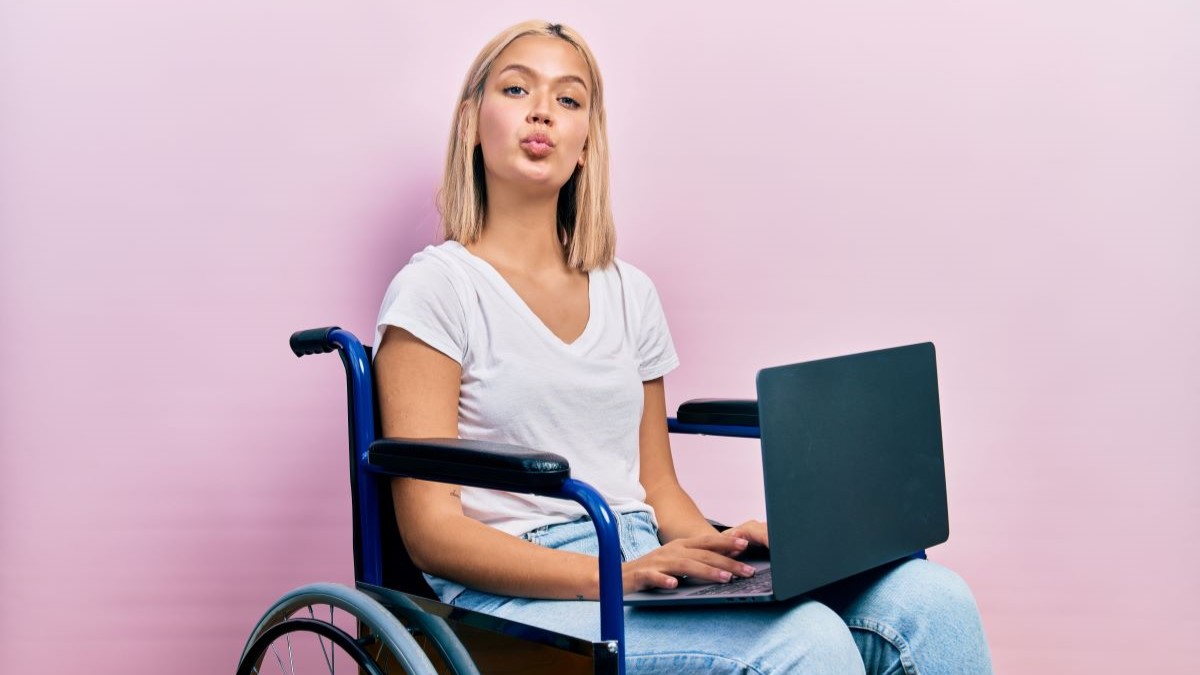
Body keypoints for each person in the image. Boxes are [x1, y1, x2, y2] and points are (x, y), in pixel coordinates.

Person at [373, 19, 993, 674]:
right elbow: (430, 531)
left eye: (568, 98)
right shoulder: (437, 288)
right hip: (517, 593)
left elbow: (658, 490)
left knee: (933, 598)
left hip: (641, 560)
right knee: (804, 638)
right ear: (472, 120)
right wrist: (609, 572)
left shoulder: (628, 292)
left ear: (587, 143)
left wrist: (731, 547)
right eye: (516, 88)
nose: (541, 112)